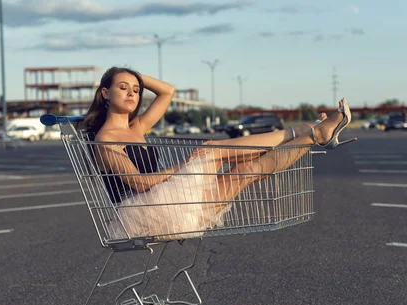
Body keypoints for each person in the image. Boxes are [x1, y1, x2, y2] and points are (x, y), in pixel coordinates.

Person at [80, 67, 351, 240]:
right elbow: (138, 183)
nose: (132, 93)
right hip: (146, 212)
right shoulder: (105, 139)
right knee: (209, 152)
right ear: (105, 93)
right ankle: (307, 129)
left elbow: (167, 91)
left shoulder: (136, 127)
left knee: (245, 171)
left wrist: (134, 74)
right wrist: (185, 166)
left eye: (136, 90)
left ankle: (313, 135)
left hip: (169, 202)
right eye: (123, 87)